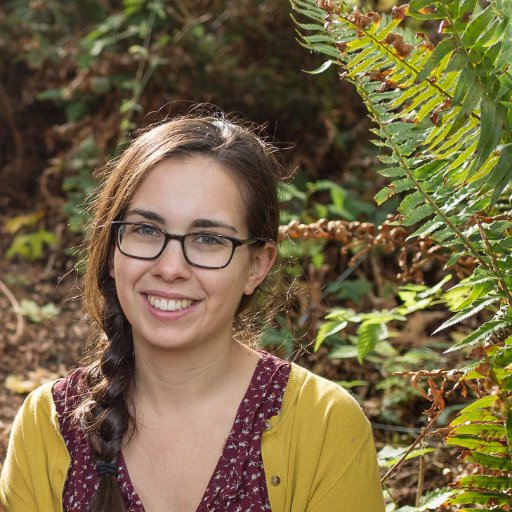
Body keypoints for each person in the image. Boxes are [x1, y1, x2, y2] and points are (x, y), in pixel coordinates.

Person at [0, 113, 385, 511]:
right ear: (112, 249)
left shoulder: (324, 426)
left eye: (207, 239)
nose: (170, 268)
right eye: (147, 230)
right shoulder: (50, 424)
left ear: (256, 266)